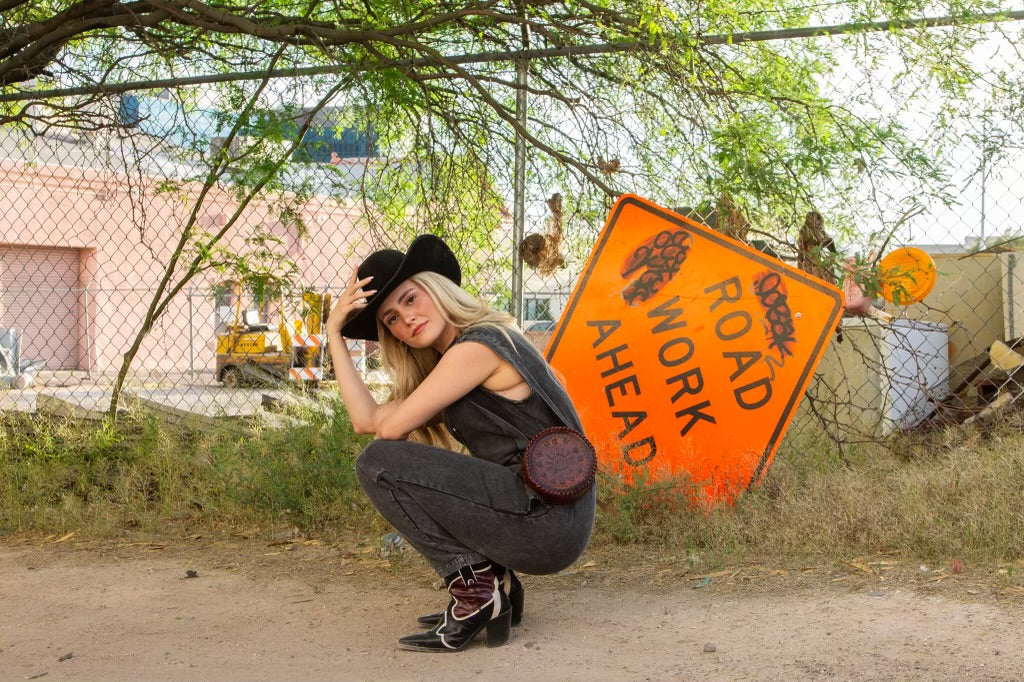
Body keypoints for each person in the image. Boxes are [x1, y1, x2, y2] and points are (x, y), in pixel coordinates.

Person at [325, 234, 596, 653]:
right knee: (380, 454)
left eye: (411, 299)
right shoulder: (456, 361)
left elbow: (389, 432)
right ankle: (497, 586)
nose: (407, 320)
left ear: (435, 288)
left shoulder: (479, 346)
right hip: (548, 517)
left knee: (378, 463)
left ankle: (476, 596)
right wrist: (334, 334)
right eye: (393, 319)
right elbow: (367, 419)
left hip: (549, 520)